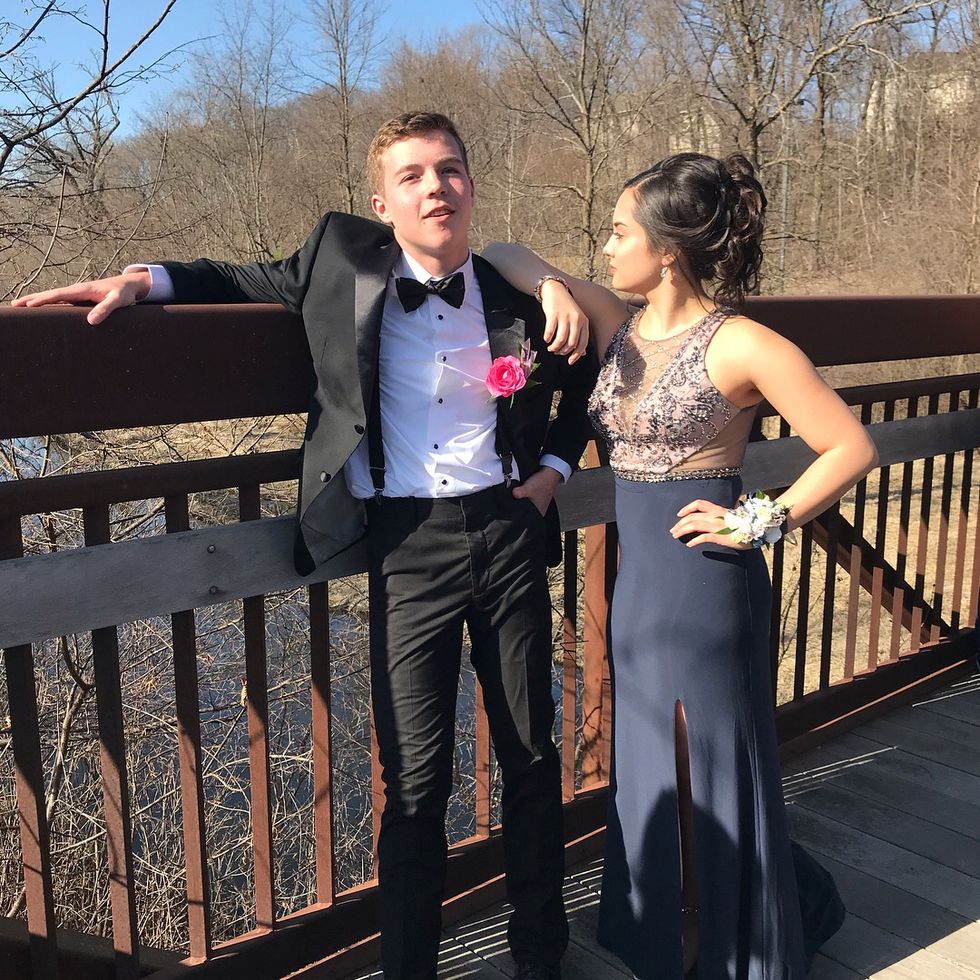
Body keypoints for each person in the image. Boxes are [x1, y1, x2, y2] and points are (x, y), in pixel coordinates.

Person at [13, 111, 598, 980]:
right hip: (406, 546)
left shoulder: (518, 290)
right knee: (416, 782)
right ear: (381, 204)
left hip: (509, 530)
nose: (435, 187)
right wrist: (140, 281)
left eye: (449, 170)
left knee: (533, 755)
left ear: (472, 185)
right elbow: (230, 276)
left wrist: (554, 464)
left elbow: (588, 372)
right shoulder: (338, 260)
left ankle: (541, 956)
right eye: (412, 176)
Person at [483, 152, 875, 979]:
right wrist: (551, 288)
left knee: (707, 766)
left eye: (619, 231)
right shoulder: (615, 323)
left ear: (666, 251)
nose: (605, 245)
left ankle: (729, 943)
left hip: (706, 583)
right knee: (652, 766)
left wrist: (759, 521)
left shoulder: (743, 343)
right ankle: (674, 937)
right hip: (639, 590)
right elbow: (502, 252)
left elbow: (850, 446)